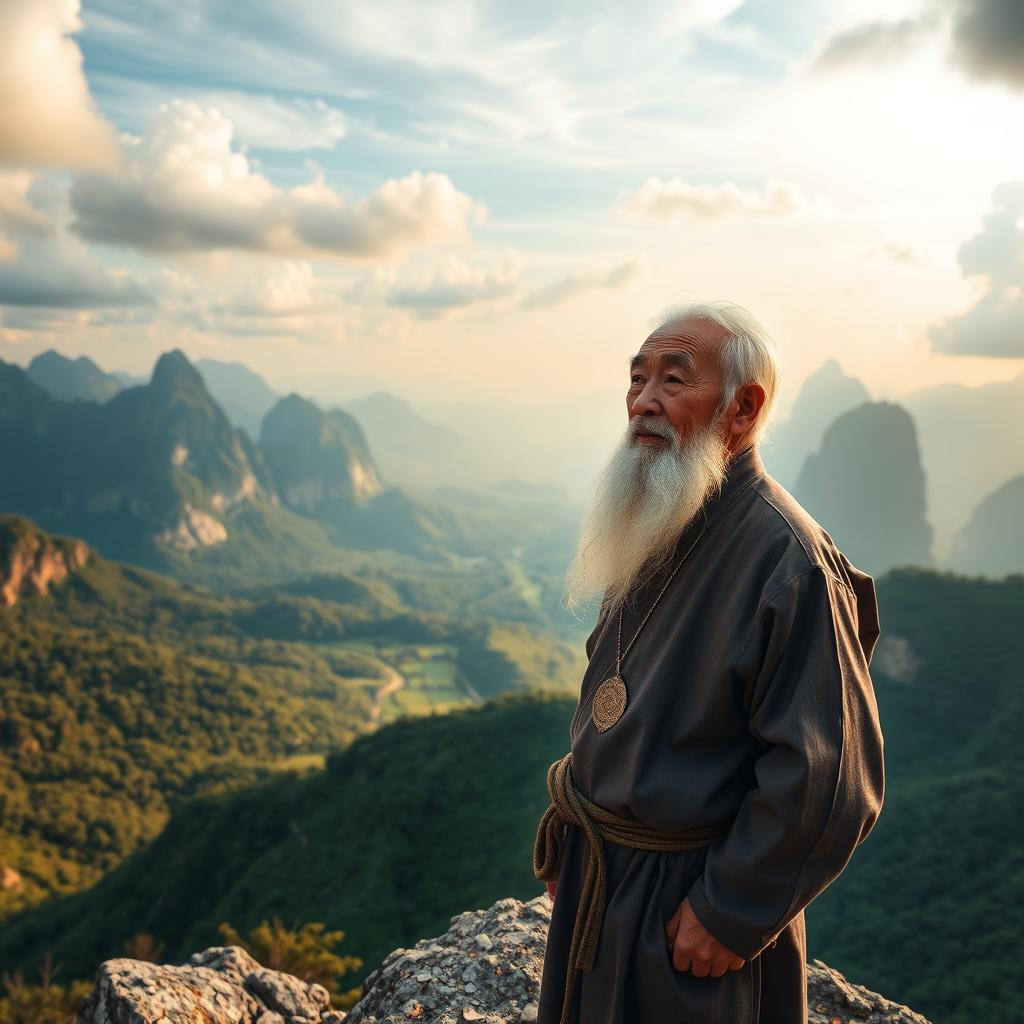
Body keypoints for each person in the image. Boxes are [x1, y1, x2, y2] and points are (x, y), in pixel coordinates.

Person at [533, 301, 885, 1024]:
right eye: (637, 379)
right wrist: (574, 841)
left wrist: (730, 912)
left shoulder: (788, 562)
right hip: (608, 889)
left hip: (686, 919)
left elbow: (833, 776)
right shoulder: (662, 518)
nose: (644, 401)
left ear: (743, 407)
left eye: (673, 378)